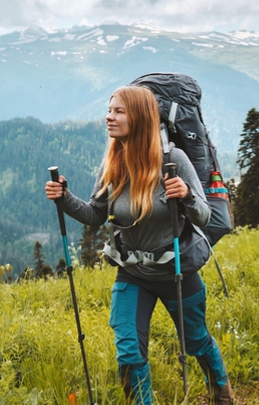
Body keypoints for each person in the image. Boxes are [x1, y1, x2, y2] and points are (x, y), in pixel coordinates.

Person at [46, 85, 234, 404]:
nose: (110, 117)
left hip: (177, 270)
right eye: (109, 110)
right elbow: (95, 214)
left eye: (119, 111)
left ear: (141, 117)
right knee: (129, 349)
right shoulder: (113, 162)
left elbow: (204, 216)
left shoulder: (173, 159)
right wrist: (64, 198)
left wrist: (186, 194)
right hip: (132, 272)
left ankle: (221, 391)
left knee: (196, 341)